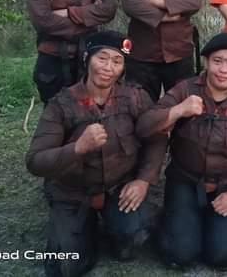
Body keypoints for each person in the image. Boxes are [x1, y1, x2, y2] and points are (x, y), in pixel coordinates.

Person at [26, 31, 167, 277]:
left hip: (118, 187)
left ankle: (110, 227)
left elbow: (157, 139)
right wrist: (77, 148)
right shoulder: (62, 104)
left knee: (132, 240)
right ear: (87, 59)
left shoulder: (135, 98)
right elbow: (35, 161)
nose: (108, 68)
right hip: (73, 192)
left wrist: (144, 180)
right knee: (64, 267)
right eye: (102, 58)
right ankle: (82, 224)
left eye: (117, 61)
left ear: (123, 68)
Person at [136, 32, 227, 269]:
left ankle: (210, 221)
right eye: (217, 61)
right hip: (186, 180)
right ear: (207, 63)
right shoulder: (185, 89)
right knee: (180, 256)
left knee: (226, 257)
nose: (223, 70)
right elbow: (144, 125)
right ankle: (173, 218)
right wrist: (178, 110)